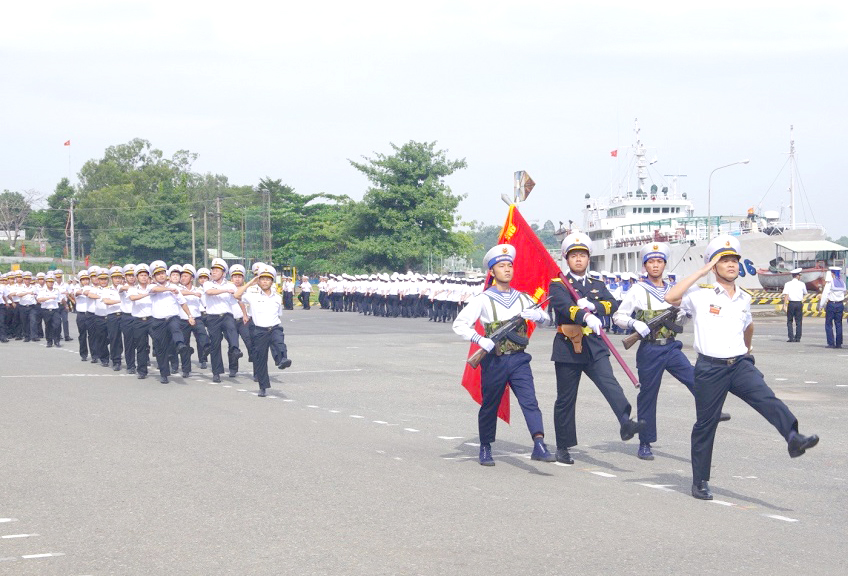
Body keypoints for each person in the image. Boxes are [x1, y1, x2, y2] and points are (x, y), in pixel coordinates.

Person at [665, 234, 820, 500]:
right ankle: (699, 480)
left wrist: (747, 352)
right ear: (714, 266)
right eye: (724, 261)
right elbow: (671, 297)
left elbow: (748, 325)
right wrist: (702, 270)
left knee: (767, 398)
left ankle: (793, 437)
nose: (732, 265)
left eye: (734, 260)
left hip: (738, 364)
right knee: (706, 424)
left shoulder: (744, 298)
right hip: (710, 369)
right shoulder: (699, 296)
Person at [613, 242, 729, 461]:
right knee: (648, 396)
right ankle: (645, 442)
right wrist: (634, 324)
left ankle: (712, 411)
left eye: (659, 261)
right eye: (651, 262)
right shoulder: (638, 290)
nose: (655, 266)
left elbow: (683, 318)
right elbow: (618, 317)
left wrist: (684, 315)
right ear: (645, 265)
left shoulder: (674, 289)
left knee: (696, 379)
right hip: (650, 348)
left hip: (671, 346)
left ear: (665, 264)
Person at [452, 244, 556, 466]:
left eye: (510, 265)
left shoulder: (522, 298)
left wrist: (536, 314)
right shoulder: (483, 299)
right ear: (492, 271)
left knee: (530, 401)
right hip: (495, 360)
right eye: (501, 266)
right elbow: (459, 324)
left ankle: (539, 443)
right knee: (490, 404)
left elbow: (547, 320)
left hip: (519, 359)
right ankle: (486, 446)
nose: (507, 269)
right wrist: (480, 340)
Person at [548, 233, 643, 465]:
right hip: (569, 344)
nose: (578, 259)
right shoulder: (558, 284)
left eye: (582, 255)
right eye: (574, 256)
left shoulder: (597, 284)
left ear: (589, 258)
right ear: (566, 259)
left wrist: (595, 306)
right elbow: (563, 306)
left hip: (594, 345)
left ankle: (625, 422)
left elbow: (612, 304)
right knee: (566, 399)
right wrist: (583, 315)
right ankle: (563, 446)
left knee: (610, 383)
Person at [235, 264, 292, 396]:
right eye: (262, 279)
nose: (265, 282)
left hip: (274, 327)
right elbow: (237, 295)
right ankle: (263, 386)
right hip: (259, 330)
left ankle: (282, 359)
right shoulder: (252, 295)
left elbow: (278, 315)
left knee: (280, 343)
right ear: (258, 281)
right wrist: (250, 282)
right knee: (260, 359)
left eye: (268, 279)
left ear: (272, 282)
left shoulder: (277, 297)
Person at [148, 260, 195, 383]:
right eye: (158, 274)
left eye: (163, 273)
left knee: (175, 328)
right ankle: (164, 373)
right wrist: (169, 289)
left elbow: (182, 302)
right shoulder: (152, 286)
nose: (161, 276)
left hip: (172, 317)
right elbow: (155, 290)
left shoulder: (175, 288)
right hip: (158, 321)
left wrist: (189, 315)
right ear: (154, 277)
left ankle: (180, 345)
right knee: (161, 348)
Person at [202, 258, 243, 383]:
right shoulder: (208, 283)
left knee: (232, 332)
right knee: (215, 344)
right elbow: (209, 292)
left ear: (223, 273)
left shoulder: (231, 285)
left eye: (217, 270)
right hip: (213, 317)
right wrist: (225, 290)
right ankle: (216, 372)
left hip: (226, 315)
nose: (213, 272)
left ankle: (235, 350)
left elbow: (238, 298)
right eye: (212, 270)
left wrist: (244, 314)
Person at [819, 266, 845, 349]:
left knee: (829, 324)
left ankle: (831, 343)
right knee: (839, 324)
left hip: (831, 304)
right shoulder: (842, 283)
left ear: (832, 273)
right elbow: (843, 294)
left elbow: (825, 295)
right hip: (840, 304)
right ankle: (839, 343)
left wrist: (821, 305)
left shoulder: (830, 283)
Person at [781, 268, 807, 343]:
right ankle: (798, 337)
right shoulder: (802, 284)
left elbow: (786, 294)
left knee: (789, 321)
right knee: (799, 321)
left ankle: (791, 337)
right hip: (799, 303)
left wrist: (784, 305)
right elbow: (805, 292)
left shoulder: (788, 284)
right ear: (798, 276)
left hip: (791, 303)